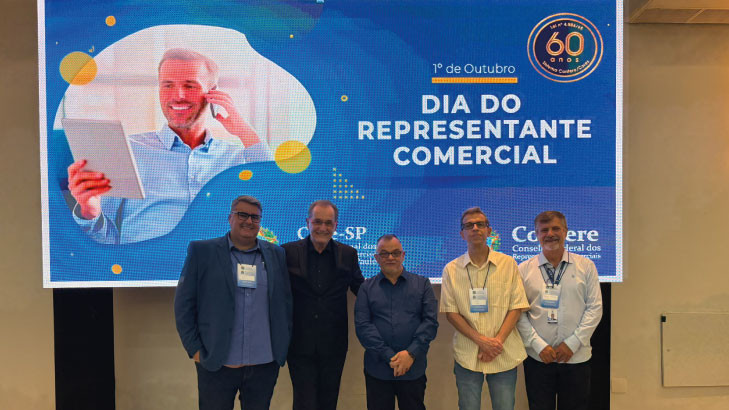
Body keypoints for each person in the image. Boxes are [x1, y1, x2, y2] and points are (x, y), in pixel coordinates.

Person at [67, 48, 272, 244]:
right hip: (149, 264)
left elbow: (277, 197)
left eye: (190, 86)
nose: (178, 96)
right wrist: (89, 212)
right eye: (167, 85)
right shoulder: (128, 151)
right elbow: (107, 240)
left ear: (213, 94)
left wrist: (244, 131)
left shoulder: (236, 159)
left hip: (218, 264)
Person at [174, 195, 292, 410]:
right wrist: (195, 350)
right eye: (242, 215)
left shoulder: (276, 254)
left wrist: (281, 348)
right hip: (216, 363)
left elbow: (285, 303)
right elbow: (184, 305)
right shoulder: (202, 251)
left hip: (264, 364)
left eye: (255, 217)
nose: (249, 221)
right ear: (230, 218)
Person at [440, 207, 529, 410]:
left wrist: (496, 343)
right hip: (468, 354)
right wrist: (482, 341)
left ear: (489, 231)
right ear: (462, 234)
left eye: (480, 224)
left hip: (503, 351)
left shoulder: (508, 264)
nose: (475, 228)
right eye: (469, 225)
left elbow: (516, 307)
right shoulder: (451, 270)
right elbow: (451, 313)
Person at [281, 200, 364, 410]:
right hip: (299, 343)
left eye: (328, 223)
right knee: (304, 403)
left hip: (334, 344)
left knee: (329, 402)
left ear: (336, 226)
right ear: (307, 222)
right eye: (317, 222)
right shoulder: (287, 252)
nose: (322, 228)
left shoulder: (348, 254)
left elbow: (362, 290)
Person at [515, 211, 602, 410]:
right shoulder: (524, 269)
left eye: (556, 228)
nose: (550, 234)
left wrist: (572, 343)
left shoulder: (586, 266)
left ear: (566, 232)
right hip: (538, 358)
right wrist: (538, 345)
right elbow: (519, 313)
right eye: (544, 230)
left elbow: (595, 308)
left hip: (576, 356)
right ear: (536, 234)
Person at [354, 234, 438, 410]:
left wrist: (410, 354)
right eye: (384, 253)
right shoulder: (366, 288)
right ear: (376, 258)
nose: (390, 257)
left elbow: (430, 323)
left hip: (412, 368)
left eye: (395, 253)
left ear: (403, 255)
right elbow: (363, 326)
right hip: (378, 369)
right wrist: (389, 357)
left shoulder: (422, 284)